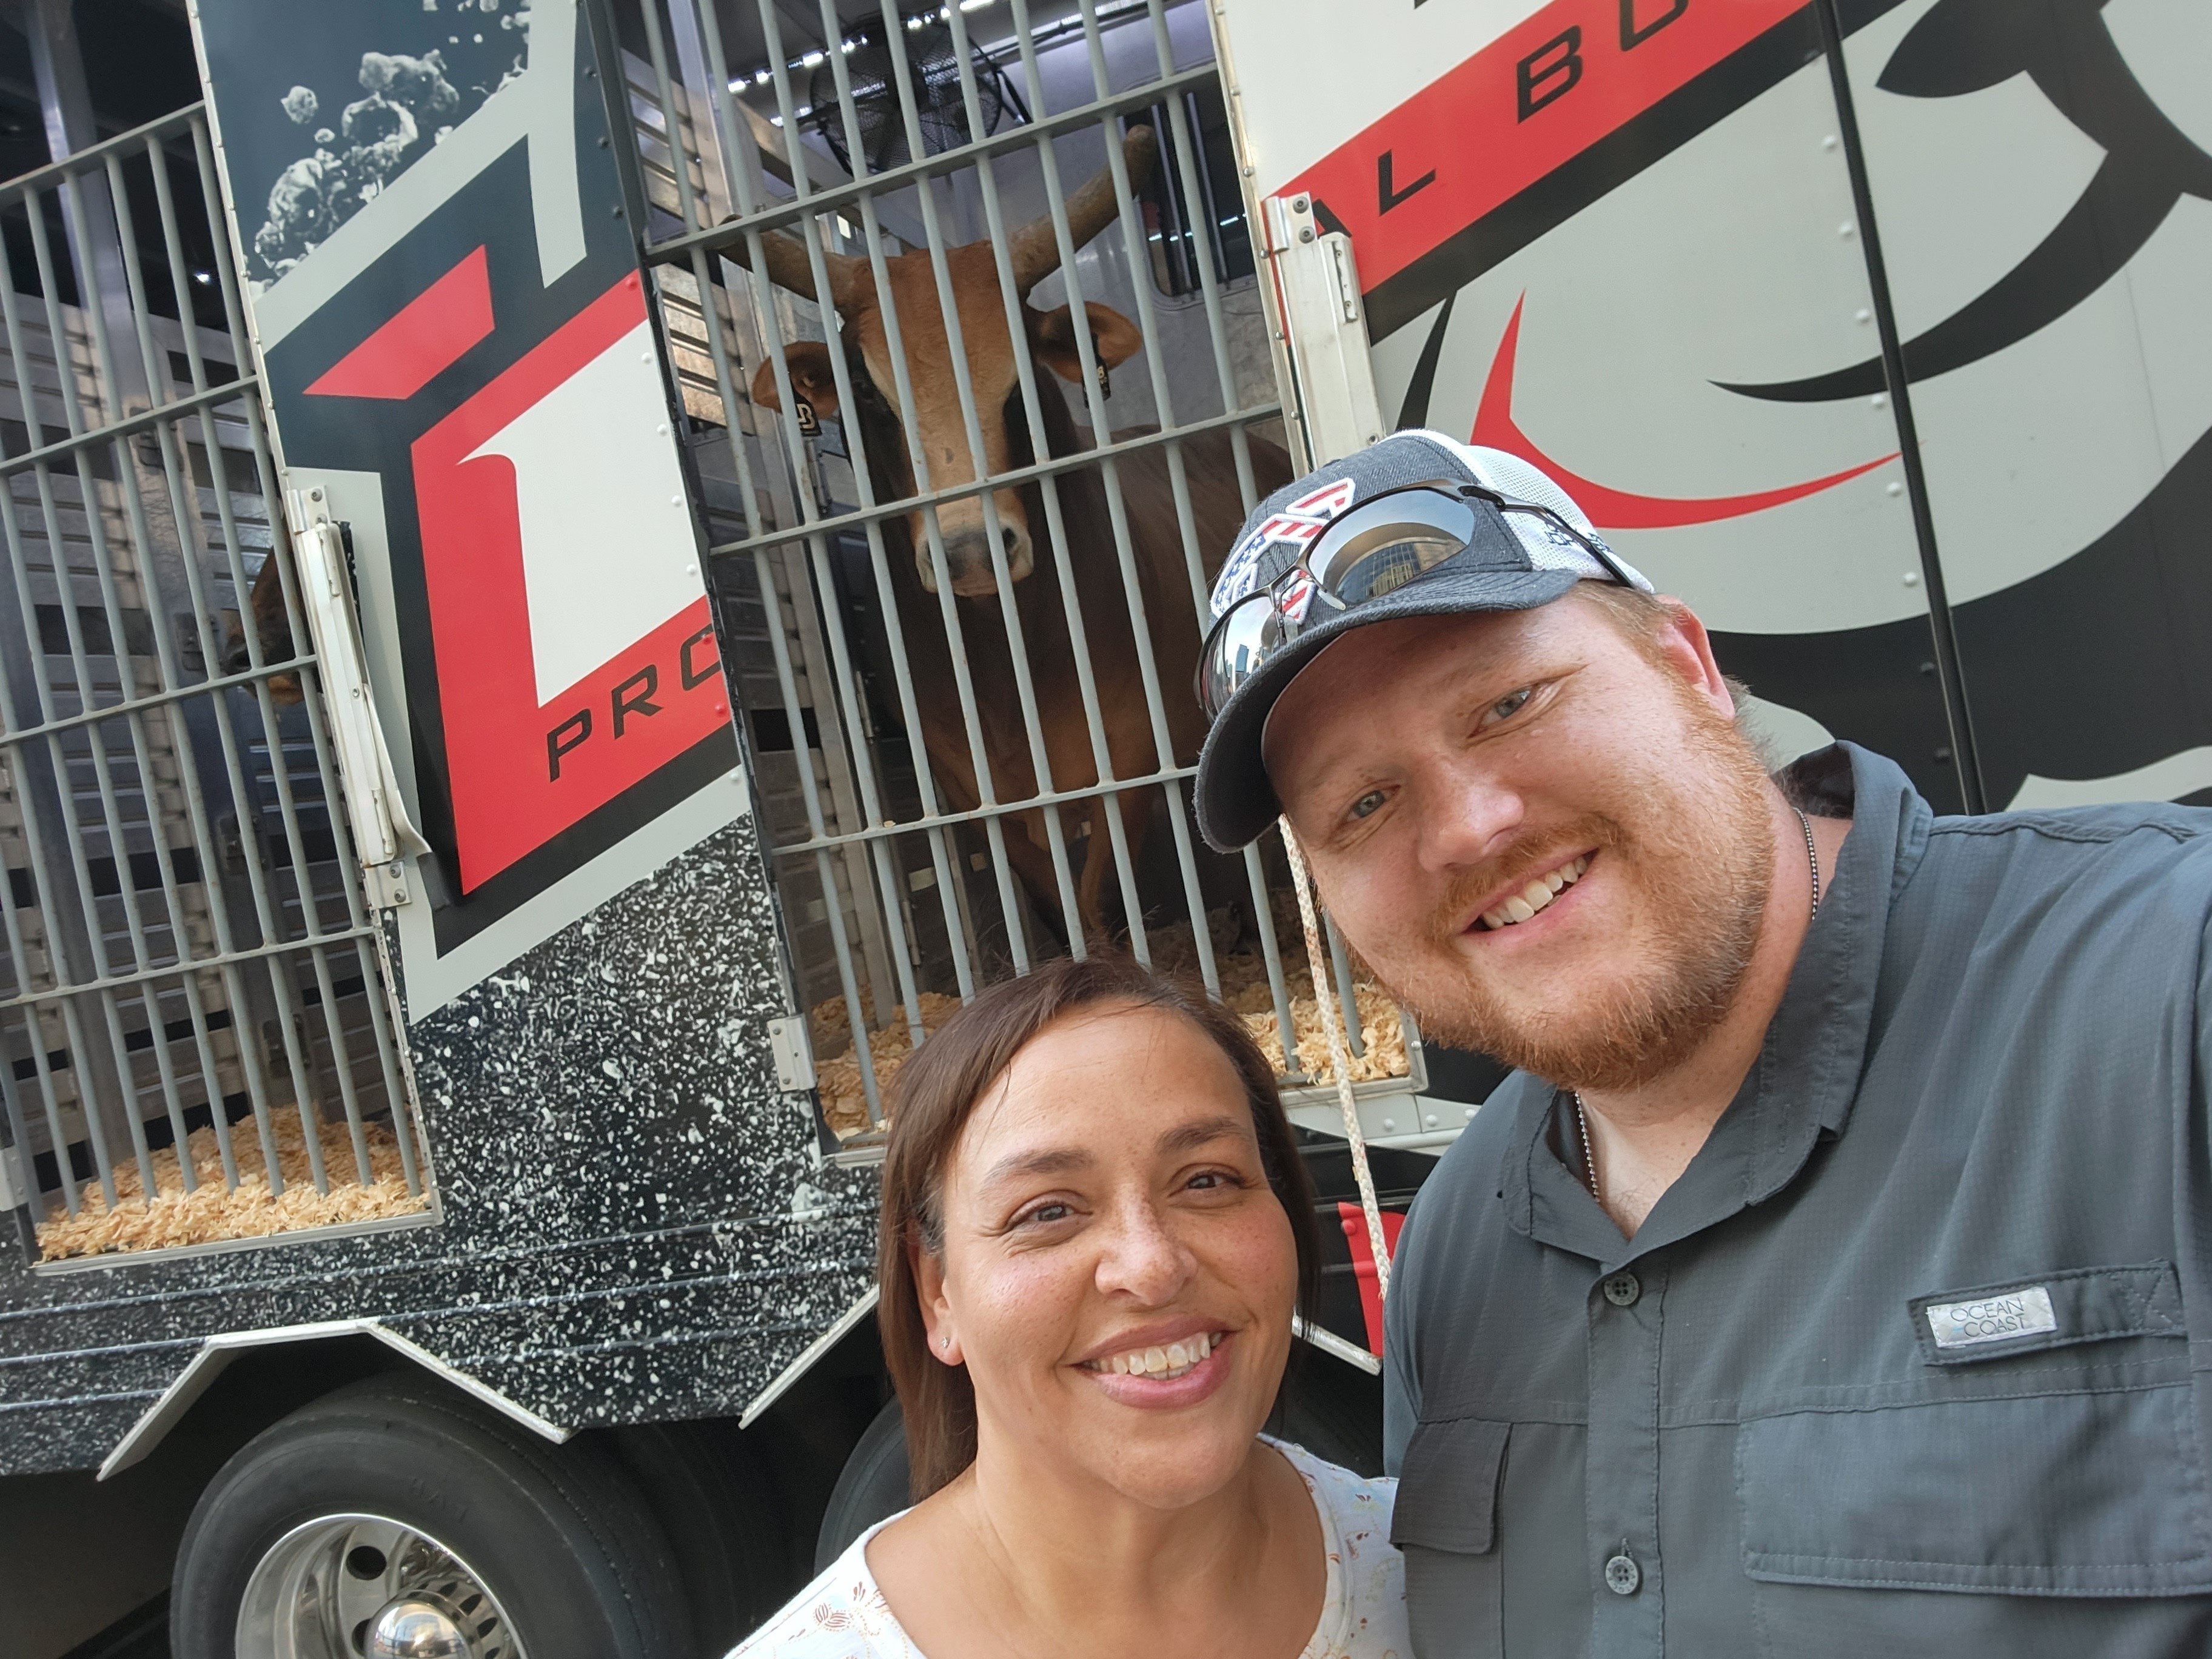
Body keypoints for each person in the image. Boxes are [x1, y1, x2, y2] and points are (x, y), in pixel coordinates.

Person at [1190, 429, 2212, 1657]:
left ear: (1687, 665)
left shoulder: (2165, 987)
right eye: (1363, 803)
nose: (1466, 829)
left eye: (1508, 704)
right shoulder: (1456, 1250)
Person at [732, 955, 1409, 1657]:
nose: (1152, 1267)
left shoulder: (1430, 1576)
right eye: (1048, 1211)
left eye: (1206, 1180)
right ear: (937, 1293)